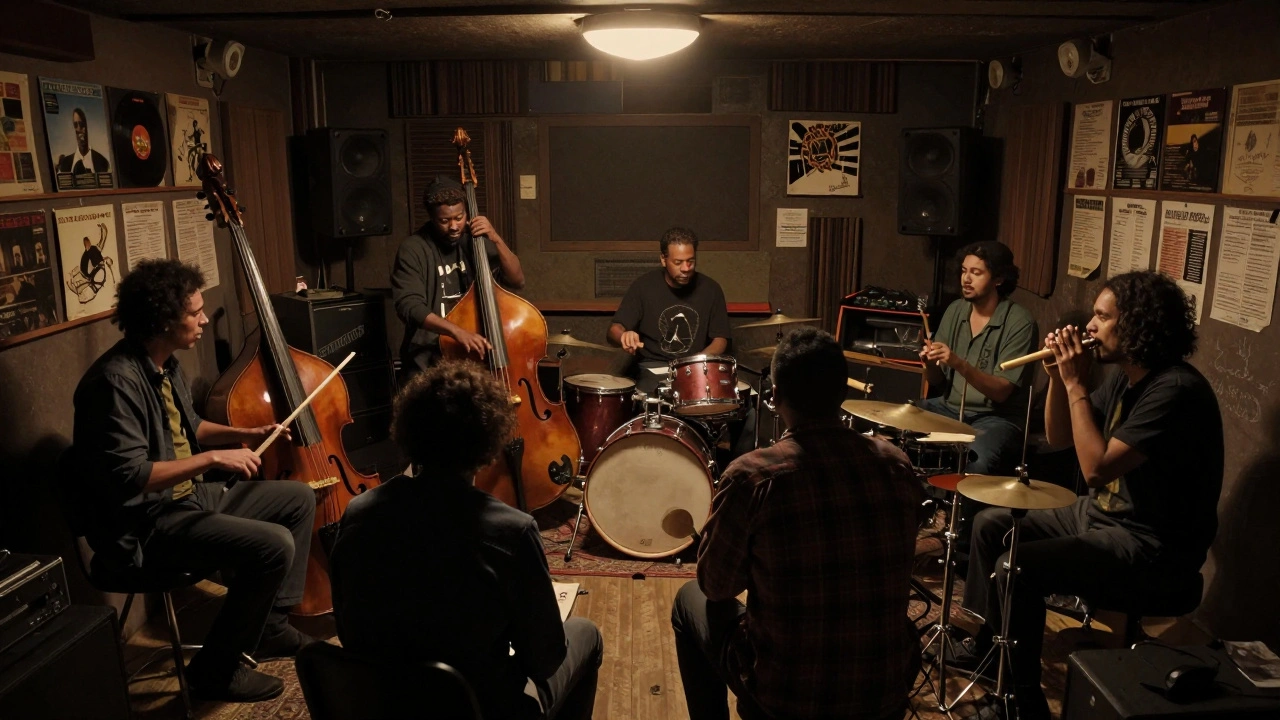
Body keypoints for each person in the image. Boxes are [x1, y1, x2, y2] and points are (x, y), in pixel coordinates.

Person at [956, 271, 1223, 720]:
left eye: (1102, 316)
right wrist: (1058, 381)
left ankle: (1021, 703)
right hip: (1102, 517)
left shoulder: (1174, 390)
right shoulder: (1126, 377)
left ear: (1137, 325)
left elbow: (1095, 469)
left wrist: (1077, 383)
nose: (1090, 327)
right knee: (991, 524)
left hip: (1148, 544)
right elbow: (1061, 436)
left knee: (1017, 568)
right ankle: (990, 653)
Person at [68, 259, 317, 703]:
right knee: (274, 544)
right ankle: (215, 671)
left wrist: (246, 434)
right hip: (144, 524)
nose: (204, 318)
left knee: (297, 499)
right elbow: (131, 476)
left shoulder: (165, 364)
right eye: (194, 312)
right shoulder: (114, 383)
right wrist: (212, 460)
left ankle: (270, 627)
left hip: (187, 500)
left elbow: (191, 425)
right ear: (163, 319)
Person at [672, 328, 924, 720]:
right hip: (883, 693)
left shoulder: (751, 477)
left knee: (689, 601)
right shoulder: (896, 464)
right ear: (844, 393)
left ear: (773, 397)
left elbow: (716, 586)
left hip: (786, 698)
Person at [330, 359, 603, 719]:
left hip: (382, 701)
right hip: (475, 706)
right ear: (488, 445)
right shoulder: (512, 531)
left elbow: (349, 632)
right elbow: (545, 661)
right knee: (586, 634)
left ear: (408, 431)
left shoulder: (358, 511)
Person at [391, 175, 525, 374]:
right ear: (432, 217)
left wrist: (495, 238)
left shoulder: (475, 242)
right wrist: (456, 332)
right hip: (429, 357)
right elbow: (409, 306)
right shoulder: (413, 249)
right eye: (444, 220)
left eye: (459, 218)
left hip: (473, 354)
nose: (453, 226)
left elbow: (517, 280)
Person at [608, 227, 731, 396]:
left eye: (691, 261)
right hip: (653, 368)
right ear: (663, 259)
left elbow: (720, 339)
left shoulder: (711, 289)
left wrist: (696, 363)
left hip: (695, 368)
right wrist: (623, 335)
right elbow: (614, 329)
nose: (686, 268)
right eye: (678, 262)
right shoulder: (643, 287)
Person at [55, 108, 111, 176]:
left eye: (81, 125)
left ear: (86, 127)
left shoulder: (102, 161)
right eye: (75, 125)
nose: (79, 129)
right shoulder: (65, 163)